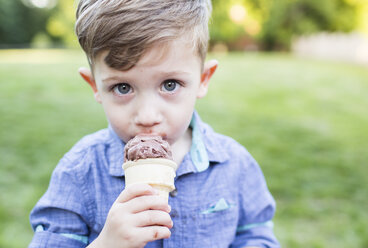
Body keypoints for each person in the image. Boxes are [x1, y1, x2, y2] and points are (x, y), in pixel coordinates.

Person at [28, 0, 280, 247]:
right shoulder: (80, 172)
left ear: (203, 79)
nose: (147, 116)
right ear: (94, 86)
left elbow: (256, 234)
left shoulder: (235, 165)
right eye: (122, 87)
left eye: (170, 84)